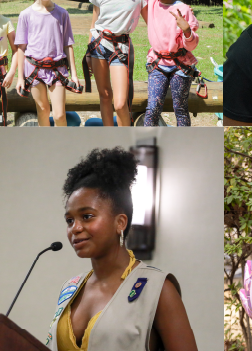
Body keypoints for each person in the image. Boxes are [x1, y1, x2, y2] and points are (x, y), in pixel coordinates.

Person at [48, 148, 197, 350]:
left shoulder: (158, 289)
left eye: (87, 216)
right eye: (69, 220)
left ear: (120, 222)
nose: (76, 228)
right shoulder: (70, 289)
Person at [86, 0, 147, 127]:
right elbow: (94, 23)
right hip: (98, 45)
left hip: (121, 48)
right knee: (104, 96)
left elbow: (154, 20)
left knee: (120, 103)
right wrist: (89, 52)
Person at [18, 0, 80, 127]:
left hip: (57, 69)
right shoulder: (26, 15)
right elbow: (21, 48)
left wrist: (74, 74)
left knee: (59, 115)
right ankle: (45, 147)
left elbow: (68, 45)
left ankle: (63, 147)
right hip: (34, 69)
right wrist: (20, 77)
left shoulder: (62, 14)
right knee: (43, 110)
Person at [140, 0, 201, 127]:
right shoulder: (151, 2)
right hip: (158, 64)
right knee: (152, 108)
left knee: (180, 108)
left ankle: (184, 146)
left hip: (180, 66)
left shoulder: (184, 10)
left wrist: (186, 29)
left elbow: (192, 45)